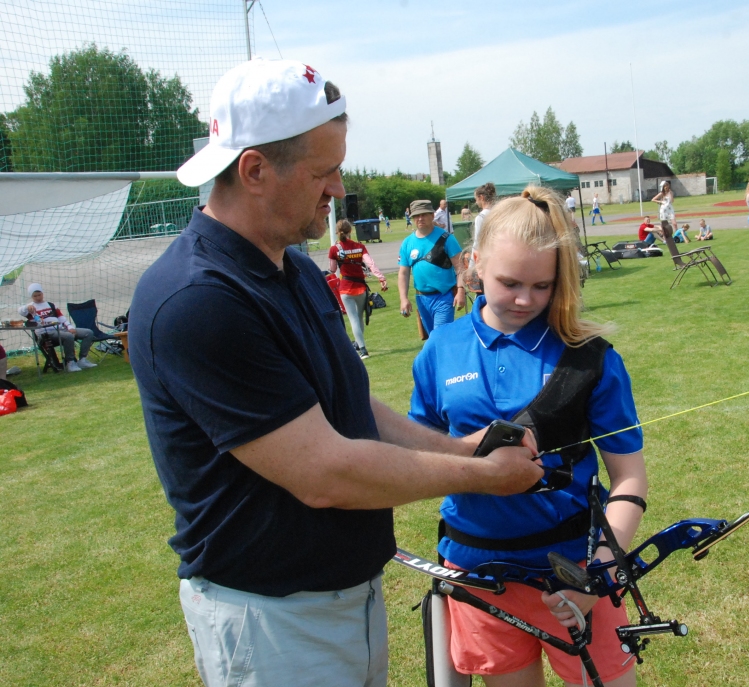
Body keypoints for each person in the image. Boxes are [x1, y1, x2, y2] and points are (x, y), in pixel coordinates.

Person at [128, 59, 542, 687]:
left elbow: (351, 406)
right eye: (324, 171)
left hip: (346, 597)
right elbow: (326, 471)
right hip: (273, 621)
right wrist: (481, 475)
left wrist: (458, 446)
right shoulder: (197, 299)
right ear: (255, 169)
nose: (340, 189)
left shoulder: (289, 269)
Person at [409, 185, 647, 687]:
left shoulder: (589, 356)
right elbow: (420, 455)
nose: (525, 299)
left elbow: (629, 479)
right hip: (479, 573)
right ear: (472, 263)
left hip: (573, 574)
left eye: (542, 286)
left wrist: (596, 577)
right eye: (509, 281)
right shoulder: (440, 349)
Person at [399, 199, 466, 335]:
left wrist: (460, 291)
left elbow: (460, 267)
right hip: (422, 299)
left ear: (432, 215)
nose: (420, 218)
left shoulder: (447, 238)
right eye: (417, 216)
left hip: (444, 297)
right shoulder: (407, 243)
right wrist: (403, 298)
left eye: (424, 214)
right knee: (432, 339)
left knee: (440, 337)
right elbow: (403, 273)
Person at [328, 219, 389, 359]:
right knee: (360, 317)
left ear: (337, 232)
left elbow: (332, 269)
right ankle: (358, 343)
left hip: (345, 289)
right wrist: (381, 278)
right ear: (350, 231)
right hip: (360, 287)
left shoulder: (334, 249)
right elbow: (370, 263)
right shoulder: (359, 246)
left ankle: (362, 349)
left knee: (353, 319)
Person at [18, 283, 96, 371]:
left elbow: (61, 318)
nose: (38, 297)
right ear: (31, 297)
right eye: (35, 296)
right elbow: (20, 311)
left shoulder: (51, 305)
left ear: (42, 294)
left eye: (39, 295)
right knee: (68, 336)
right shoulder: (30, 308)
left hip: (61, 329)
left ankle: (82, 360)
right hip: (47, 333)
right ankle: (70, 363)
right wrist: (27, 307)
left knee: (88, 333)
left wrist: (70, 327)